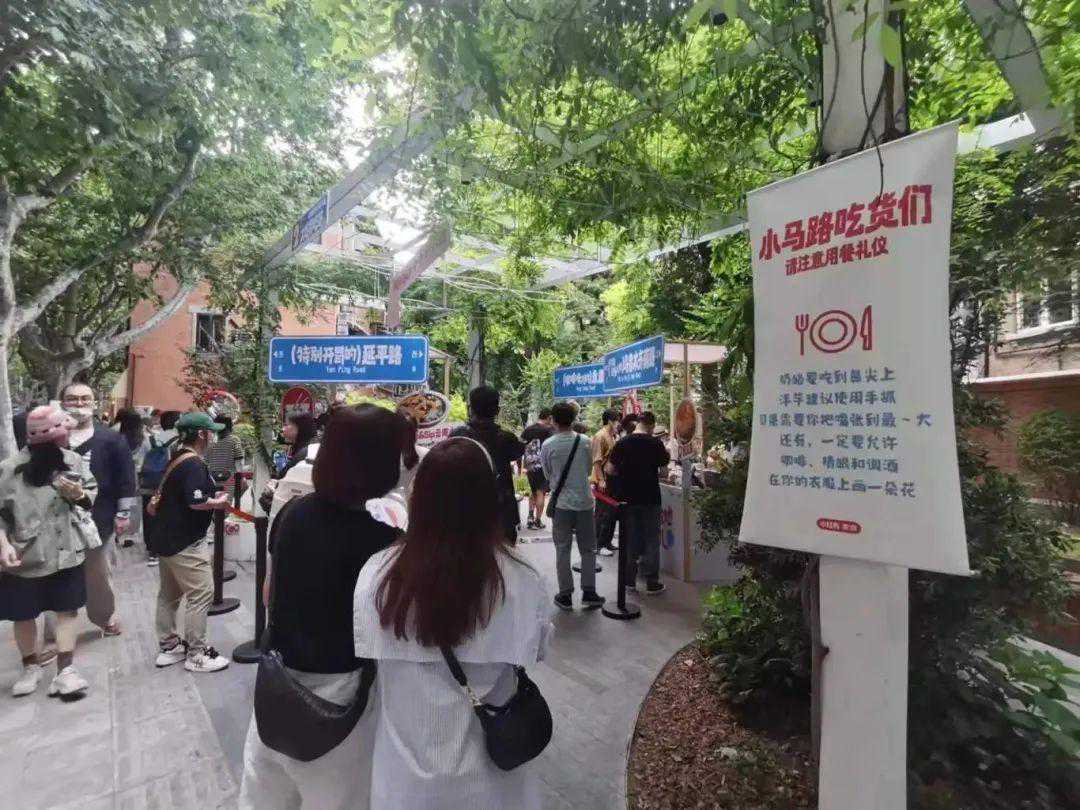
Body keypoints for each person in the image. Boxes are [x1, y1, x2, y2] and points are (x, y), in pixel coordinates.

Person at [353, 437, 553, 810]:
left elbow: (366, 651)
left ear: (418, 497)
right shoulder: (522, 577)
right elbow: (536, 650)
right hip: (492, 782)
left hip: (402, 780)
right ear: (489, 499)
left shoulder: (377, 574)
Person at [239, 405, 403, 810]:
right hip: (342, 694)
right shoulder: (384, 533)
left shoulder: (293, 512)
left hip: (277, 681)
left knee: (264, 792)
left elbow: (268, 592)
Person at [0, 405, 99, 698]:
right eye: (63, 432)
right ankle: (30, 666)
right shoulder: (8, 469)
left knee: (67, 609)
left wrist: (78, 494)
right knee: (23, 614)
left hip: (66, 550)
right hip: (24, 555)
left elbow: (90, 496)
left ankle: (65, 670)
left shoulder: (73, 461)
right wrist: (3, 545)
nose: (67, 437)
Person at [148, 411, 232, 673]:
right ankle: (197, 654)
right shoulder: (193, 464)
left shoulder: (176, 457)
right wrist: (217, 502)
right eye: (210, 432)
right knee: (202, 592)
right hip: (184, 541)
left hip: (165, 539)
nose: (213, 436)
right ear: (202, 434)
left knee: (169, 594)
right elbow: (196, 501)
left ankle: (169, 645)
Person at [61, 382, 136, 636]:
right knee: (57, 575)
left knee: (98, 574)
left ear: (94, 403)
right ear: (63, 403)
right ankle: (58, 628)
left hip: (99, 520)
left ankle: (105, 618)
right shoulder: (52, 437)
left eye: (85, 398)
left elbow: (126, 479)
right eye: (73, 398)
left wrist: (123, 514)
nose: (79, 403)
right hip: (57, 522)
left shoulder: (112, 439)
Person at [539, 402, 604, 611]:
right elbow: (587, 469)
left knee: (562, 549)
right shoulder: (585, 441)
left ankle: (565, 594)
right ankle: (589, 592)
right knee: (588, 549)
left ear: (553, 420)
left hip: (562, 505)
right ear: (574, 419)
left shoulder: (548, 444)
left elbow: (547, 473)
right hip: (585, 503)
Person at [450, 386, 526, 544]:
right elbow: (519, 452)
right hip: (501, 511)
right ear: (497, 410)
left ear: (470, 408)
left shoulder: (457, 437)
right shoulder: (507, 439)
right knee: (504, 556)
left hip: (464, 510)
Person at [607, 411, 670, 595]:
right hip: (651, 497)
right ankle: (652, 582)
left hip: (628, 499)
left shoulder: (622, 442)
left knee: (630, 539)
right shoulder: (656, 443)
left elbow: (610, 470)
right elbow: (664, 472)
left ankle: (629, 581)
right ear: (651, 425)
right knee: (652, 539)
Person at [141, 409, 181, 566]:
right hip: (165, 484)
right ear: (176, 423)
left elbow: (140, 460)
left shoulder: (151, 437)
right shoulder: (178, 440)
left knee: (148, 513)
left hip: (148, 482)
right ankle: (160, 549)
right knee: (163, 514)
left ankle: (151, 548)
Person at [113, 408, 149, 549]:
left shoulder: (113, 433)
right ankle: (124, 535)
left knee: (112, 503)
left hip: (113, 472)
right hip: (133, 475)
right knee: (128, 504)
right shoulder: (141, 437)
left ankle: (113, 535)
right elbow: (146, 454)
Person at [590, 408, 622, 556]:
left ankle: (607, 541)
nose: (618, 424)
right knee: (602, 513)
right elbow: (597, 461)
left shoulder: (612, 436)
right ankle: (598, 544)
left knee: (611, 513)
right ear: (610, 421)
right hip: (603, 479)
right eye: (617, 421)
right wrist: (601, 480)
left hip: (613, 478)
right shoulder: (600, 436)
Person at [520, 408, 554, 530]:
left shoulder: (528, 429)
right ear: (549, 417)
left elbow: (520, 445)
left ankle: (530, 518)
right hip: (543, 465)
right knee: (541, 492)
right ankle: (538, 520)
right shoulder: (549, 431)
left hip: (530, 465)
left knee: (533, 491)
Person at [393, 408, 428, 501]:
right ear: (416, 430)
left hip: (390, 507)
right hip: (417, 505)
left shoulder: (382, 456)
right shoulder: (427, 455)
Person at [205, 414, 245, 486]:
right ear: (230, 426)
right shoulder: (234, 440)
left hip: (214, 483)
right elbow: (239, 463)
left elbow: (206, 464)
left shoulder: (211, 443)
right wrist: (239, 482)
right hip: (229, 483)